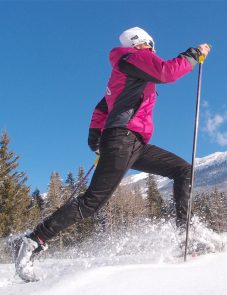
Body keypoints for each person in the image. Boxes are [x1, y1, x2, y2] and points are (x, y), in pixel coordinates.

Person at [14, 27, 211, 281]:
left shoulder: (124, 69)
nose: (153, 50)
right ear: (144, 43)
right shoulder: (134, 57)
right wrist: (193, 54)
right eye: (151, 45)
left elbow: (102, 106)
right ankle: (33, 241)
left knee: (183, 170)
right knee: (91, 203)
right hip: (123, 140)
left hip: (132, 142)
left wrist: (96, 139)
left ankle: (185, 237)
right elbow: (166, 72)